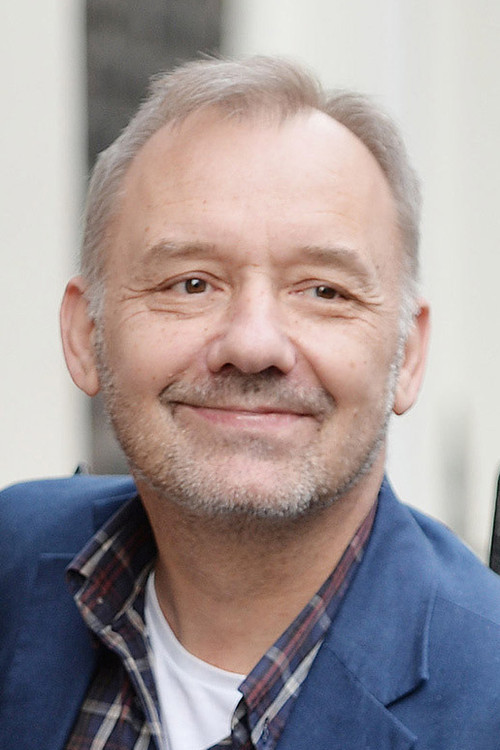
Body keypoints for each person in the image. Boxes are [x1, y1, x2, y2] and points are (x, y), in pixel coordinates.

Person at [1, 56, 500, 750]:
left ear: (407, 356)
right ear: (86, 335)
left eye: (324, 290)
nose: (254, 344)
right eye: (191, 283)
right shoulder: (13, 558)